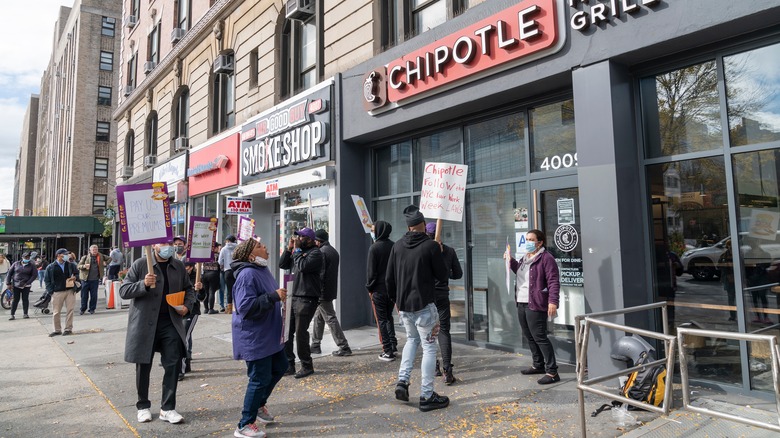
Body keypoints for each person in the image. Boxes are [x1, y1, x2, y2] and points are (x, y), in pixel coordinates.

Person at [119, 238, 197, 425]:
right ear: (153, 245)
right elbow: (123, 290)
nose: (168, 247)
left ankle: (168, 408)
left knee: (173, 364)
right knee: (143, 365)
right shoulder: (140, 264)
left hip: (170, 321)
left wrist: (187, 305)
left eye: (169, 243)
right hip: (145, 323)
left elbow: (189, 289)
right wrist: (143, 284)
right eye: (163, 243)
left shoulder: (178, 266)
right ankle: (143, 406)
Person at [386, 205, 449, 412]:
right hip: (424, 306)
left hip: (404, 306)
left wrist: (396, 300)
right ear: (422, 225)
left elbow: (389, 279)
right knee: (429, 347)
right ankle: (427, 394)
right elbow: (442, 276)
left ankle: (402, 381)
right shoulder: (430, 246)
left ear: (409, 226)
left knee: (411, 341)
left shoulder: (397, 246)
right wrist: (438, 253)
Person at [231, 237, 288, 438]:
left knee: (281, 366)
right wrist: (273, 296)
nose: (265, 247)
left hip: (270, 334)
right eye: (259, 246)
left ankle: (259, 404)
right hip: (255, 337)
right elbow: (246, 308)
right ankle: (244, 424)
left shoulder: (262, 270)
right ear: (250, 255)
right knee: (259, 378)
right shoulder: (247, 274)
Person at [505, 229, 561, 385]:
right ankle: (538, 364)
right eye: (527, 239)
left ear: (540, 242)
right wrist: (510, 261)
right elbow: (520, 273)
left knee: (540, 336)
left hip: (536, 302)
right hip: (521, 301)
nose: (528, 242)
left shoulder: (546, 258)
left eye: (531, 239)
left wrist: (553, 301)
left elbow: (553, 281)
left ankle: (552, 371)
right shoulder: (526, 257)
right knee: (529, 335)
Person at [279, 227, 323, 379]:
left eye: (301, 237)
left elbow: (303, 267)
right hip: (292, 295)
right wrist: (289, 249)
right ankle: (289, 364)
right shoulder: (297, 252)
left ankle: (306, 365)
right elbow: (282, 264)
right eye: (297, 237)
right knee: (286, 332)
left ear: (310, 239)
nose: (298, 239)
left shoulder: (316, 253)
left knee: (300, 332)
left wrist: (297, 251)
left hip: (307, 297)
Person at [425, 222, 463, 385]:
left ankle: (434, 366)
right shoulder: (449, 251)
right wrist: (446, 275)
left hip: (427, 296)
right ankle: (448, 370)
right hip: (442, 295)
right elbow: (458, 274)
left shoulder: (423, 250)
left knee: (428, 332)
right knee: (444, 331)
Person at [310, 229, 352, 357]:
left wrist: (316, 290)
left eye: (314, 240)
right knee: (319, 317)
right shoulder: (332, 250)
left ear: (318, 241)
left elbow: (321, 274)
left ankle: (344, 346)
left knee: (330, 318)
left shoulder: (322, 252)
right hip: (329, 289)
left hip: (322, 291)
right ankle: (315, 344)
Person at [366, 220, 398, 361]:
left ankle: (387, 350)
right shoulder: (394, 246)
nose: (372, 232)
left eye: (373, 230)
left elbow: (371, 272)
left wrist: (369, 287)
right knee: (389, 317)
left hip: (378, 289)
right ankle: (393, 344)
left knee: (382, 319)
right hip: (392, 289)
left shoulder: (374, 248)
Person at [44, 249, 79, 335]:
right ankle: (57, 330)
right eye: (65, 254)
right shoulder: (51, 267)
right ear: (59, 255)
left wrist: (75, 277)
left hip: (70, 290)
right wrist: (51, 291)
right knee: (56, 311)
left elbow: (77, 274)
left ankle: (68, 329)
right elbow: (47, 280)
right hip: (57, 292)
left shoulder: (70, 265)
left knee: (70, 310)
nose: (67, 256)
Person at [181, 262, 206, 380]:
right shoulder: (179, 276)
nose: (186, 269)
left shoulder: (197, 278)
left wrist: (200, 290)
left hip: (192, 311)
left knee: (183, 337)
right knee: (185, 335)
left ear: (191, 267)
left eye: (187, 267)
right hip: (179, 310)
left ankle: (180, 368)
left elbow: (201, 298)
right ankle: (186, 361)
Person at [78, 245, 110, 315]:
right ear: (90, 250)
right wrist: (84, 266)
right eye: (93, 250)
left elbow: (110, 258)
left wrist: (106, 263)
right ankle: (83, 309)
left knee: (94, 295)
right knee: (84, 295)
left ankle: (92, 309)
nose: (95, 251)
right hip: (85, 279)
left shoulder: (101, 256)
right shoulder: (85, 257)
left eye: (96, 249)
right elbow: (78, 266)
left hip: (95, 280)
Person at [6, 251, 37, 320]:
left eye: (28, 257)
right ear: (22, 257)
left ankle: (25, 313)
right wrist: (8, 283)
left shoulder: (32, 265)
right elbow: (9, 273)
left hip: (26, 285)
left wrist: (28, 282)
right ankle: (12, 314)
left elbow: (34, 275)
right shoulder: (16, 264)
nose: (27, 258)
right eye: (26, 257)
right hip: (16, 285)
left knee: (25, 299)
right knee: (15, 300)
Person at [219, 235, 238, 314]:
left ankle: (229, 309)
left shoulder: (223, 249)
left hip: (227, 271)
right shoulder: (238, 247)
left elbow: (220, 261)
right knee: (237, 289)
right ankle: (237, 307)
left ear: (227, 241)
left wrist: (224, 264)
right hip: (236, 270)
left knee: (229, 290)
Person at [202, 243, 222, 314]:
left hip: (205, 274)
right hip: (214, 274)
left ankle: (206, 309)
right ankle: (211, 309)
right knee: (211, 292)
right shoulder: (218, 255)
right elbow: (220, 265)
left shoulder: (205, 254)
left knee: (206, 292)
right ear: (215, 248)